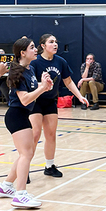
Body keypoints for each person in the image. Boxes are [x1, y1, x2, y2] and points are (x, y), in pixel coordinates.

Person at [0, 37, 51, 209]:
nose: (36, 50)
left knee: (25, 153)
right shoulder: (16, 72)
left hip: (22, 115)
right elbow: (25, 99)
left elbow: (31, 94)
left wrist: (44, 85)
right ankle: (20, 195)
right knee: (26, 154)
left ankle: (5, 186)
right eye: (33, 47)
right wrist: (41, 89)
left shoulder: (29, 69)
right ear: (23, 52)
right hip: (16, 115)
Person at [30, 34, 90, 177]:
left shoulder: (60, 61)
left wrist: (80, 96)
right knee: (35, 134)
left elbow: (68, 82)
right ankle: (24, 167)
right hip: (35, 102)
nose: (55, 44)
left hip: (50, 101)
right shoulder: (35, 63)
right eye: (51, 42)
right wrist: (42, 86)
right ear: (43, 46)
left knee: (51, 134)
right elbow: (29, 85)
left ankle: (49, 166)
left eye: (56, 41)